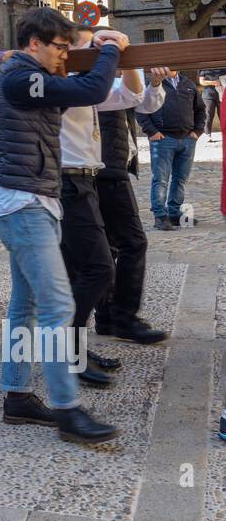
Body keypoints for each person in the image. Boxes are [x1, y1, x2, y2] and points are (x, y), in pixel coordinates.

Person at [0, 8, 122, 445]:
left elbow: (78, 93)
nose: (65, 56)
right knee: (57, 308)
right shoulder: (18, 78)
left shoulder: (26, 76)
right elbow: (94, 86)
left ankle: (17, 397)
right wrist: (108, 50)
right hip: (24, 204)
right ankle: (68, 410)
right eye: (60, 48)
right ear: (34, 44)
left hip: (33, 201)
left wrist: (90, 48)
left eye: (69, 48)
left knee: (25, 307)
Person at [58, 31, 168, 384]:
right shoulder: (66, 85)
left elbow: (132, 96)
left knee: (92, 267)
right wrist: (110, 52)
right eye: (88, 45)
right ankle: (70, 351)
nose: (98, 51)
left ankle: (78, 346)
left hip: (86, 179)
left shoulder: (86, 86)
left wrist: (123, 55)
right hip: (67, 183)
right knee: (88, 269)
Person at [96, 66, 171, 345]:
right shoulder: (96, 82)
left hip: (113, 165)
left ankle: (106, 315)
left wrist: (153, 83)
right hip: (106, 169)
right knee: (133, 242)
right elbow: (133, 98)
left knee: (111, 245)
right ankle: (124, 317)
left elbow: (146, 104)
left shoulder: (111, 80)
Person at [136, 68, 204, 229]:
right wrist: (152, 131)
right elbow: (140, 110)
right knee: (160, 180)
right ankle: (160, 216)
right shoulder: (152, 84)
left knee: (180, 179)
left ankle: (174, 213)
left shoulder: (188, 84)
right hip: (163, 140)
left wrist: (197, 131)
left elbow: (200, 109)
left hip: (187, 139)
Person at [198, 67, 225, 138]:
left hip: (222, 93)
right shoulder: (204, 68)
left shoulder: (223, 67)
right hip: (208, 94)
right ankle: (207, 134)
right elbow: (201, 82)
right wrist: (214, 83)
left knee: (223, 115)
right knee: (208, 114)